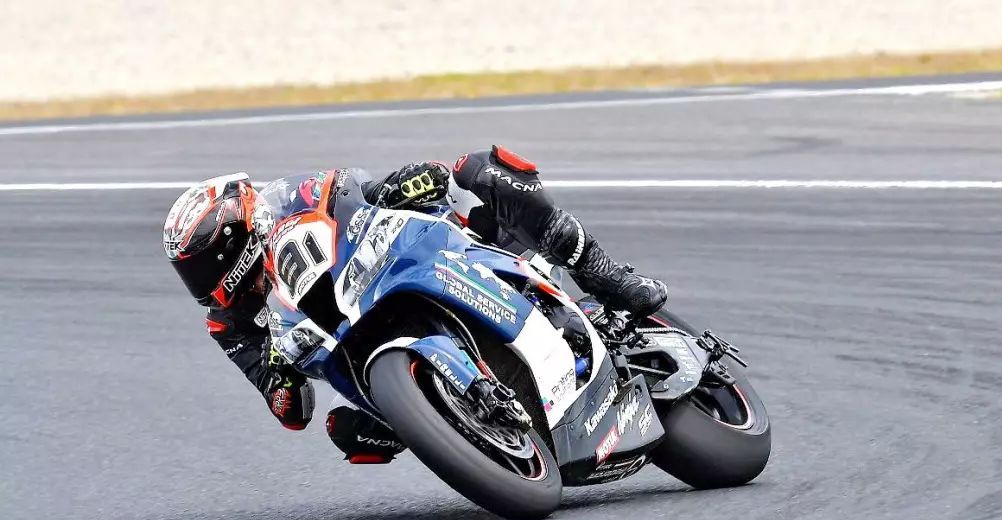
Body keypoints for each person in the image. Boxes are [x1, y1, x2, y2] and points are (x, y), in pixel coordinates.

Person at [161, 147, 667, 463]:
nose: (200, 283)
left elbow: (352, 192)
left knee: (477, 172)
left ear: (233, 237)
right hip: (349, 349)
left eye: (201, 267)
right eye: (190, 273)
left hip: (399, 264)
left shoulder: (291, 200)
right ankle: (450, 421)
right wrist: (278, 378)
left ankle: (606, 276)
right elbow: (290, 410)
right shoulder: (229, 324)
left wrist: (399, 186)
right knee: (348, 431)